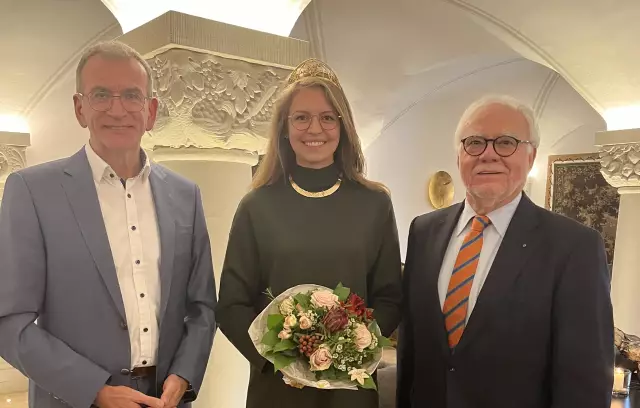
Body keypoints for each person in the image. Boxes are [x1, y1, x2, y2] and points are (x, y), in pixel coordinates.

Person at [0, 40, 217, 408]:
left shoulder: (186, 195)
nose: (118, 110)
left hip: (167, 399)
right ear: (79, 108)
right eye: (101, 94)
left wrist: (184, 375)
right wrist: (94, 390)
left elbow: (202, 307)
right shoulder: (32, 191)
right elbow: (10, 323)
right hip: (72, 399)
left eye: (132, 96)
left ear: (150, 111)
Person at [397, 95, 614, 408]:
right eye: (474, 143)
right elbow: (411, 350)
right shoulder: (423, 231)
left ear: (531, 156)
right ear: (458, 156)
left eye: (506, 142)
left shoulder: (573, 247)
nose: (488, 154)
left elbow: (585, 379)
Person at [216, 58, 403, 408]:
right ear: (284, 128)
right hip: (278, 388)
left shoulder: (375, 204)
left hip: (352, 386)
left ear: (343, 126)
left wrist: (351, 345)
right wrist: (283, 359)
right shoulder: (256, 206)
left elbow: (390, 297)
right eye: (301, 117)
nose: (314, 128)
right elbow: (231, 304)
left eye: (327, 117)